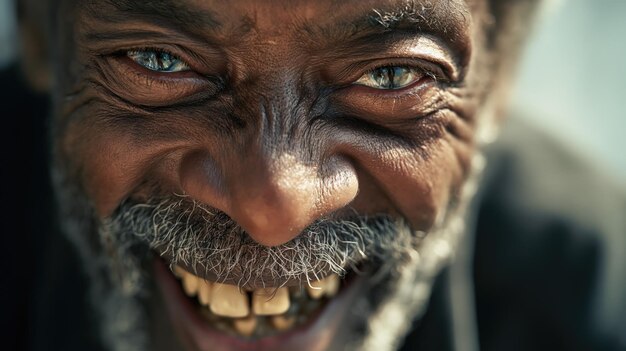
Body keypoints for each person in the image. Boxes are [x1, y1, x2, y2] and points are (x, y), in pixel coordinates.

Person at [3, 0, 625, 350]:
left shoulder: (589, 308)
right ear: (36, 29)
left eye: (391, 76)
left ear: (501, 78)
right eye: (159, 61)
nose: (271, 208)